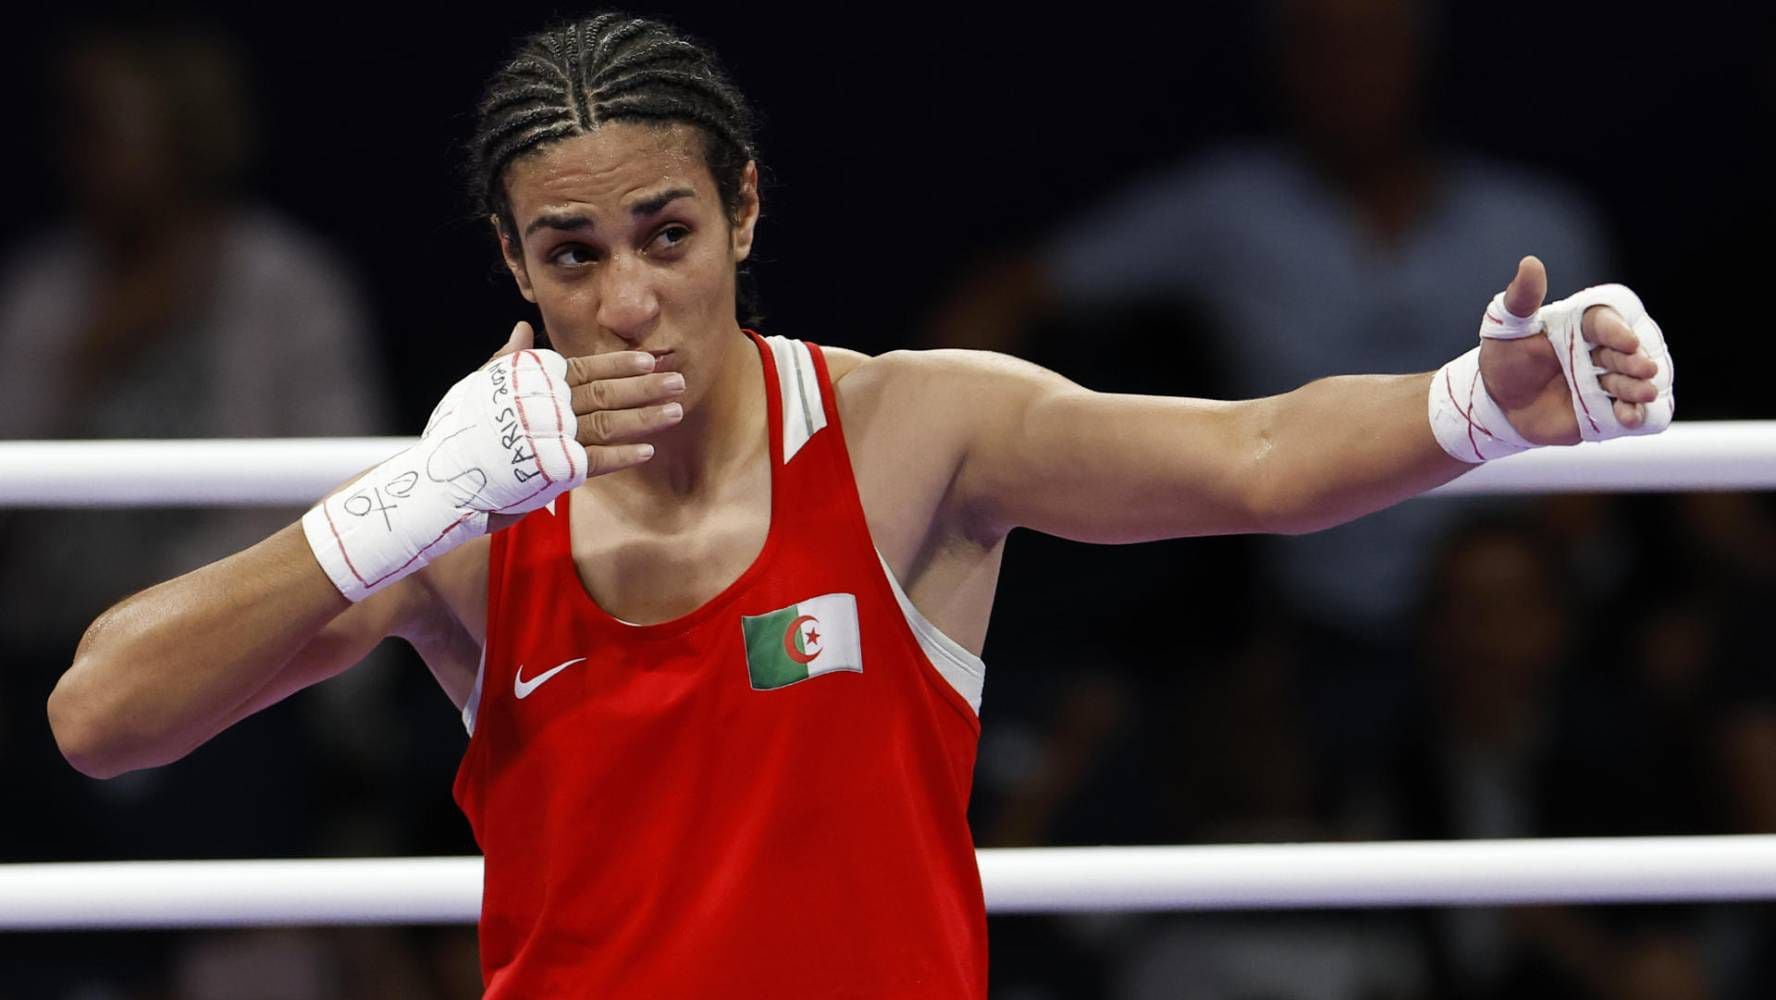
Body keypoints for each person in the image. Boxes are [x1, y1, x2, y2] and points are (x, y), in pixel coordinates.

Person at [45, 13, 1675, 998]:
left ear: (746, 211)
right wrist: (422, 492)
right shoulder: (468, 512)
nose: (624, 303)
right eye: (571, 256)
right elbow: (102, 718)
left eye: (665, 235)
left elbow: (1248, 456)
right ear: (509, 264)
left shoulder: (912, 433)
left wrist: (1477, 407)